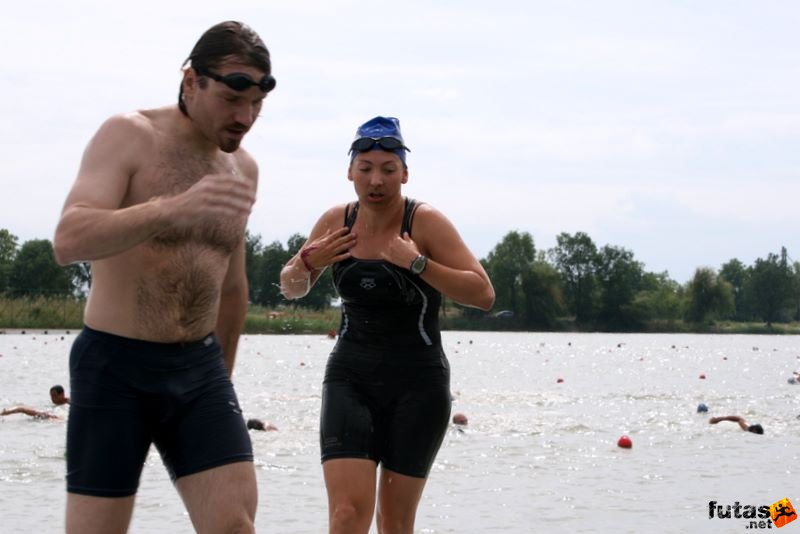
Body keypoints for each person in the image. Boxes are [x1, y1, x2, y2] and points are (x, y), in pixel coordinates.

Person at [52, 21, 276, 534]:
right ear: (191, 80)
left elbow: (233, 287)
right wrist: (167, 210)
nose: (245, 117)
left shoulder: (243, 170)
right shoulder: (129, 134)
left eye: (257, 103)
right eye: (231, 98)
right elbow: (69, 239)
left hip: (200, 372)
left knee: (234, 527)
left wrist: (222, 378)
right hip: (115, 366)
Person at [280, 116, 495, 534]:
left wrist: (417, 263)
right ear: (350, 173)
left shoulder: (425, 221)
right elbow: (291, 287)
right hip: (350, 377)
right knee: (346, 516)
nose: (376, 180)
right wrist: (308, 262)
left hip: (418, 383)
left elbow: (483, 294)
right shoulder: (335, 220)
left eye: (388, 170)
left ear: (405, 174)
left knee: (394, 523)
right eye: (366, 169)